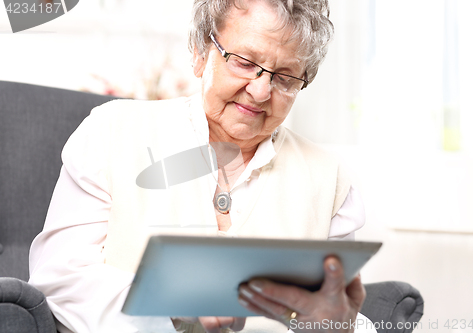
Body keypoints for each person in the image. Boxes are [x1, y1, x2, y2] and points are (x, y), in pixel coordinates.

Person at [28, 0, 376, 332]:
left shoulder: (328, 179)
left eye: (284, 77)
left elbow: (340, 312)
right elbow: (59, 281)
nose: (260, 91)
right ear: (199, 52)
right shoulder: (111, 132)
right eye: (243, 61)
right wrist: (169, 304)